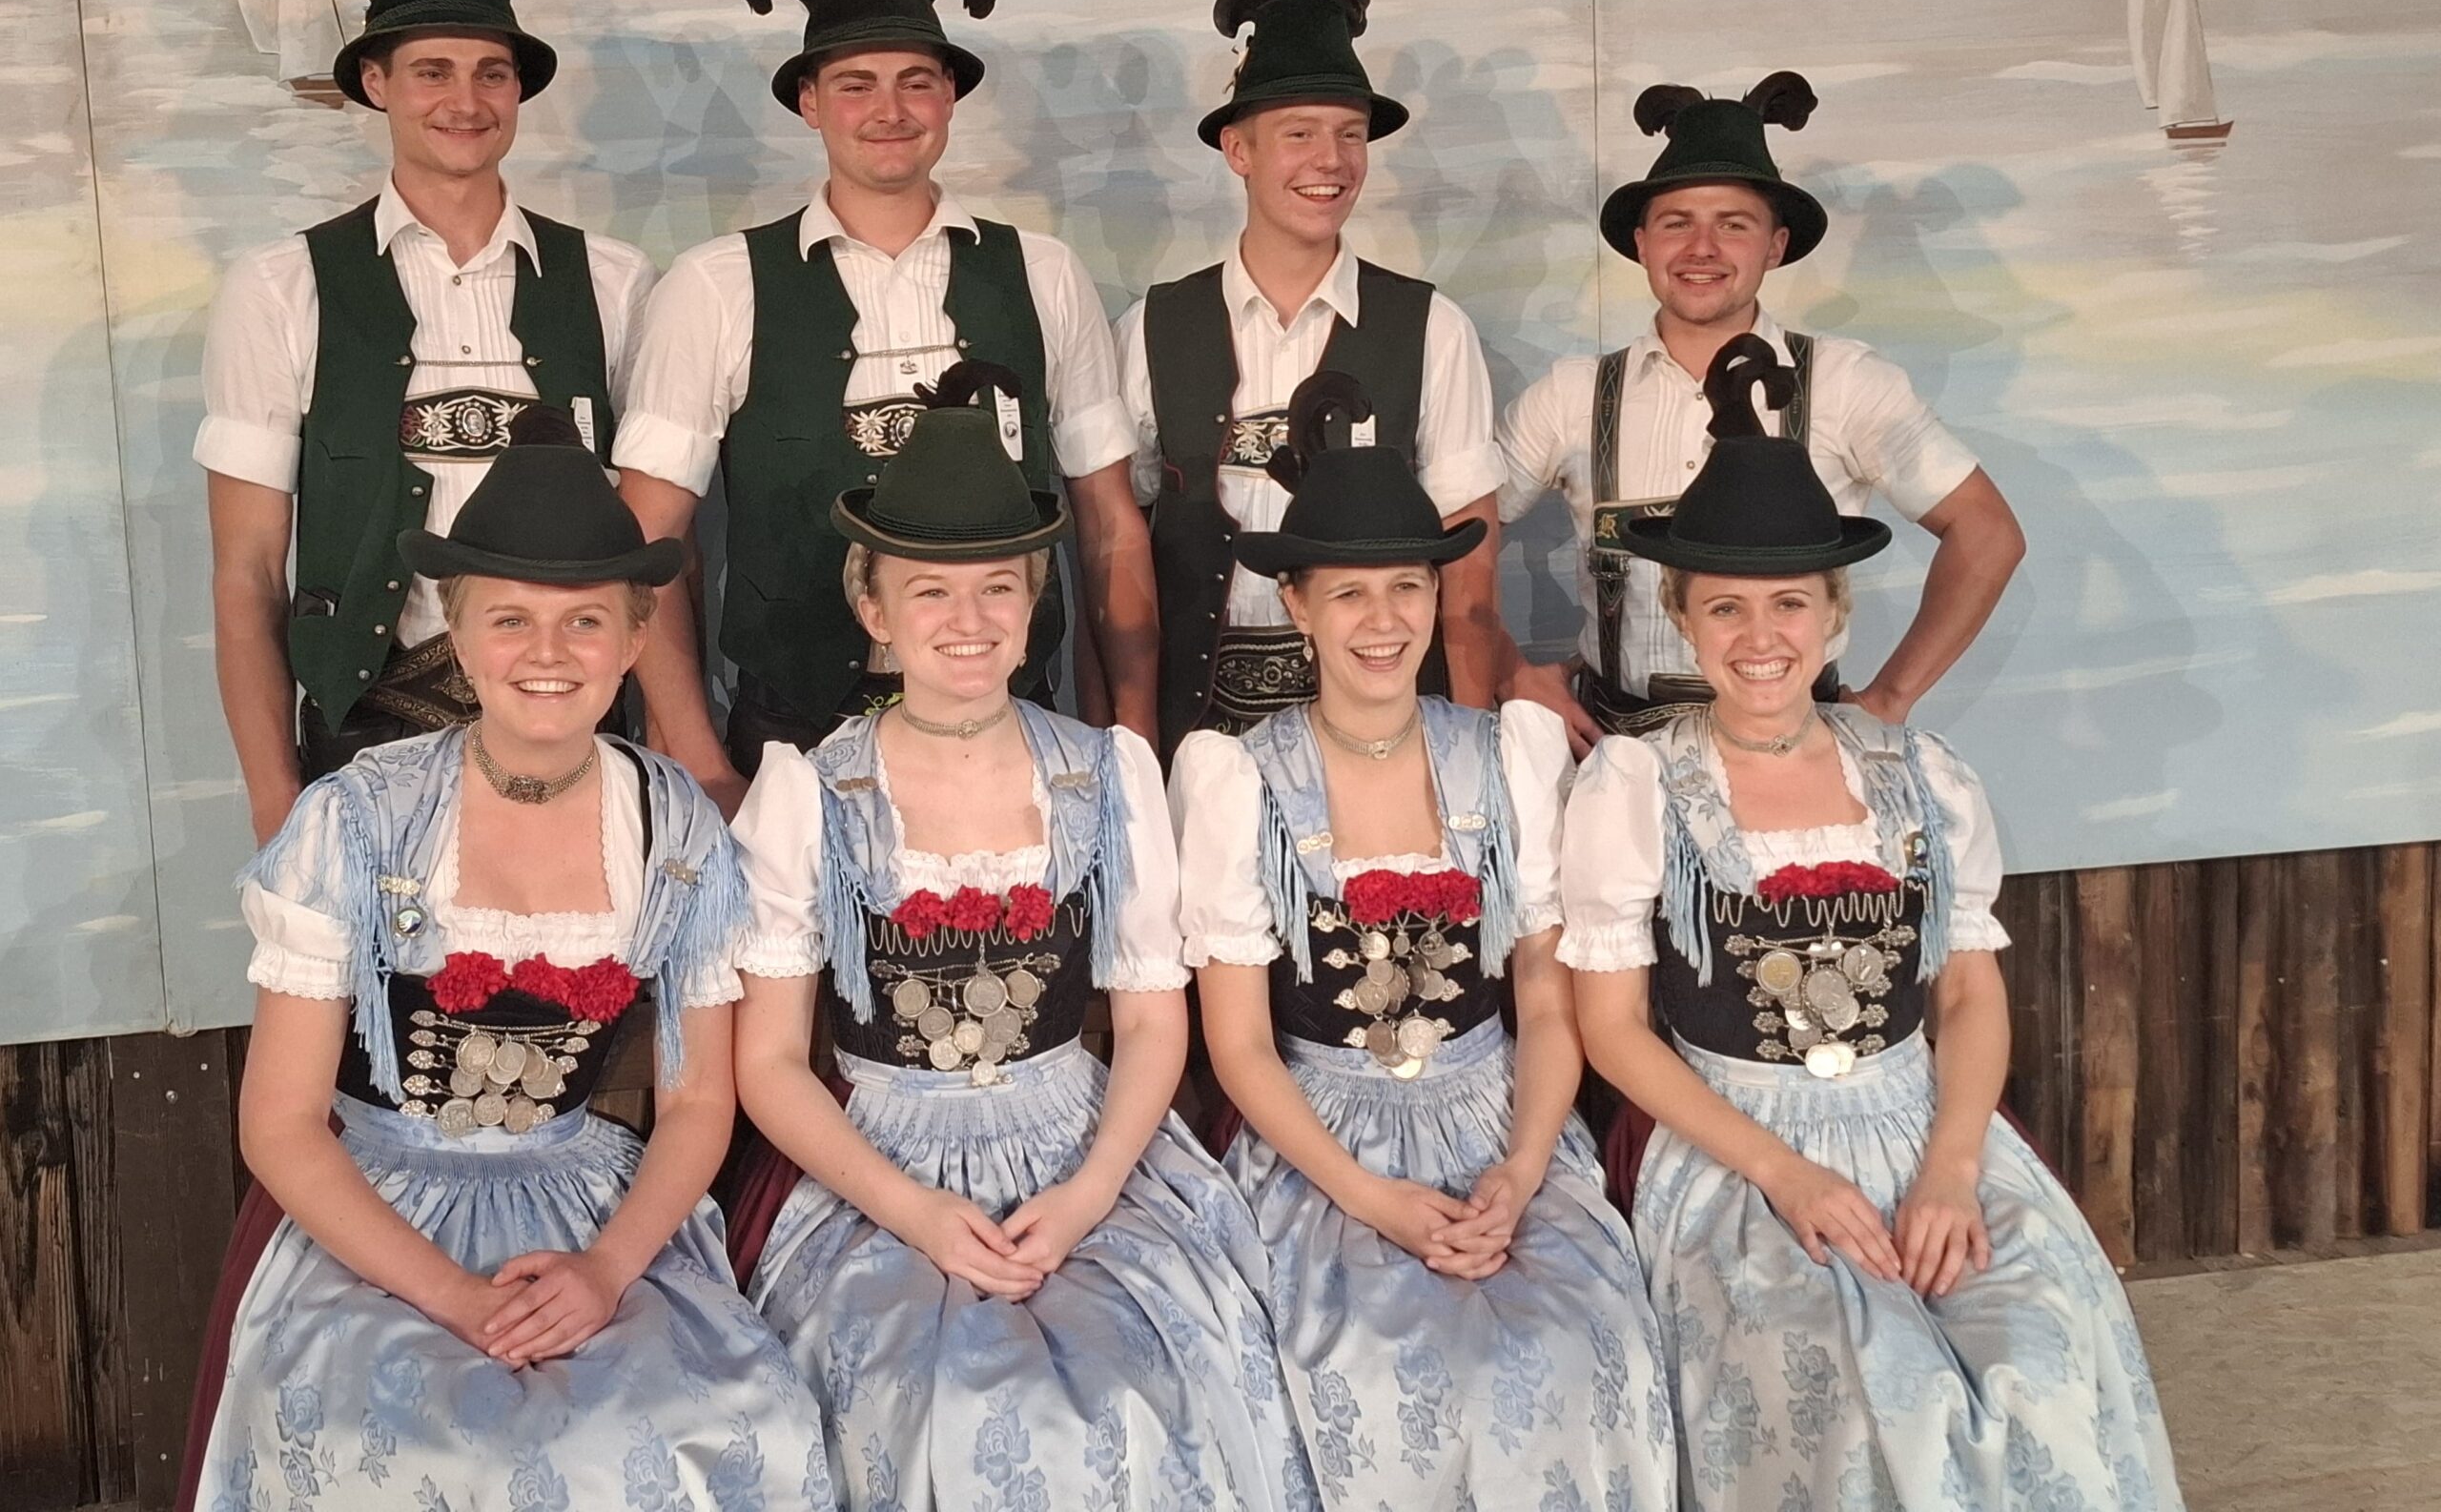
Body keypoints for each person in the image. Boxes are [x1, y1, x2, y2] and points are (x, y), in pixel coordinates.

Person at [1560, 337, 2181, 1509]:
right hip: (1739, 1148)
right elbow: (1612, 1030)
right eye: (1725, 608)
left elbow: (1967, 991)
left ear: (1835, 615)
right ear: (1681, 618)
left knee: (2040, 1360)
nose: (1760, 638)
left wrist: (1952, 1166)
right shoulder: (1637, 786)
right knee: (1861, 1385)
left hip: (1921, 1126)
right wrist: (1784, 1175)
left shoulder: (1917, 774)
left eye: (1789, 604)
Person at [185, 409, 834, 1512]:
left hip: (590, 1212)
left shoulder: (672, 826)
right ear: (457, 627)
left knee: (729, 1420)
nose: (547, 654)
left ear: (634, 638)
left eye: (585, 621)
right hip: (377, 1214)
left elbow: (695, 1102)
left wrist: (607, 1269)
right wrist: (456, 1298)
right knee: (445, 1449)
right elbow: (281, 1125)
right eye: (510, 620)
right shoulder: (363, 818)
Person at [726, 365, 1313, 1510]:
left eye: (998, 589)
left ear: (1035, 603)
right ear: (874, 611)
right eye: (930, 594)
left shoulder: (1104, 772)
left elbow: (1151, 1024)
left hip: (1081, 1144)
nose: (969, 622)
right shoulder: (809, 793)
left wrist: (1090, 1195)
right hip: (883, 1166)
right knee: (936, 1401)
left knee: (1151, 1379)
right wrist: (914, 1213)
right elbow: (770, 1064)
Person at [1173, 370, 1675, 1508]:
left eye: (1406, 586)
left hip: (1500, 1116)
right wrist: (1370, 1198)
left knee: (1580, 1343)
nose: (1385, 620)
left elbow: (1542, 1002)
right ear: (1295, 605)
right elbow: (1240, 1048)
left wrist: (1524, 1167)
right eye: (1349, 594)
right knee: (1380, 1362)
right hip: (1323, 1140)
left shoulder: (1505, 755)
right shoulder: (1238, 781)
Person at [615, 0, 1157, 814]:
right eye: (855, 84)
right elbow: (649, 549)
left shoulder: (1044, 276)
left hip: (1014, 739)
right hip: (788, 746)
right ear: (809, 102)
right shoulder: (717, 286)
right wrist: (703, 767)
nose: (890, 109)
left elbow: (1109, 531)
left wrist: (1128, 743)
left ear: (950, 96)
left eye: (915, 81)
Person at [199, 0, 650, 843]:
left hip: (580, 727)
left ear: (518, 89)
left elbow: (648, 547)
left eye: (492, 72)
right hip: (367, 738)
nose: (466, 100)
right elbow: (247, 573)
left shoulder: (613, 283)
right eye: (432, 71)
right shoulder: (280, 288)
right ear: (377, 81)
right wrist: (277, 806)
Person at [1497, 72, 2023, 752]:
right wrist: (1508, 669)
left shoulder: (1847, 384)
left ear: (1775, 246)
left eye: (1733, 225)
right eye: (1677, 223)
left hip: (1801, 759)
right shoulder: (1572, 395)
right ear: (1642, 243)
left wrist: (1890, 698)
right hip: (1616, 756)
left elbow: (1987, 533)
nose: (1702, 248)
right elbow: (1454, 534)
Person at [1118, 0, 1504, 760]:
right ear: (1238, 149)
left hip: (1386, 732)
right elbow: (1119, 551)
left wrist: (1470, 752)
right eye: (1299, 133)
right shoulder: (1152, 328)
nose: (1330, 160)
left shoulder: (1432, 327)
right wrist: (1133, 748)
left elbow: (1469, 570)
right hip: (1200, 735)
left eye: (1350, 134)